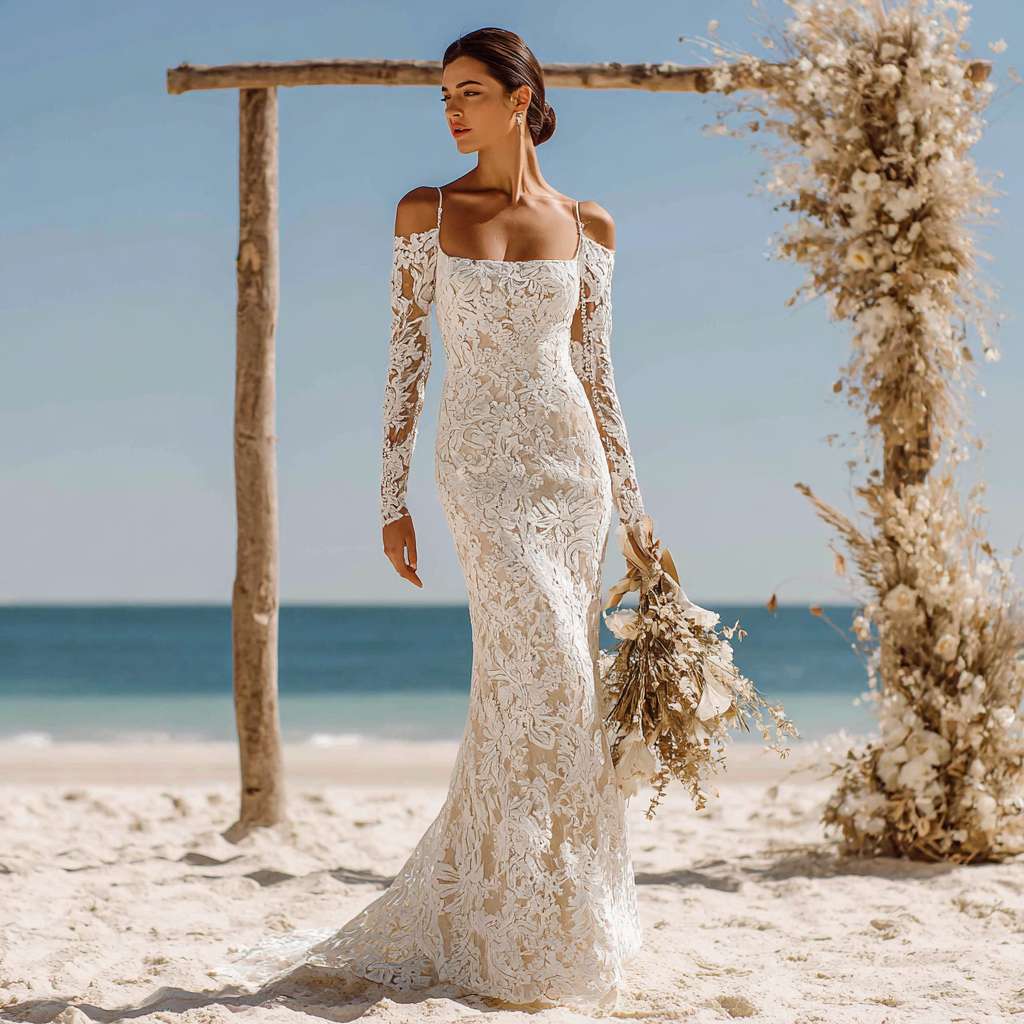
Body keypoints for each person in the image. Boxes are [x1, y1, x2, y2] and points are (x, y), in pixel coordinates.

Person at [215, 26, 649, 1011]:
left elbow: (599, 376)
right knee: (538, 665)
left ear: (519, 95)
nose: (450, 110)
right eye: (441, 95)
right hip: (480, 472)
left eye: (467, 91)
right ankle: (508, 918)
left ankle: (553, 917)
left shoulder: (590, 226)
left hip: (566, 470)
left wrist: (635, 511)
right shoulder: (426, 209)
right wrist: (391, 495)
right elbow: (406, 354)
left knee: (556, 691)